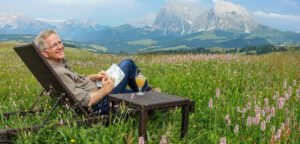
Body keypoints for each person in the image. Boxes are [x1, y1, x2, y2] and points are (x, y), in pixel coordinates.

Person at [34, 29, 151, 115]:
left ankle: (148, 98)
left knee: (129, 94)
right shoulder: (59, 72)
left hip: (98, 90)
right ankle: (150, 95)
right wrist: (106, 89)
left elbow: (77, 82)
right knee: (128, 63)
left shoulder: (55, 65)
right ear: (45, 53)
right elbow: (87, 100)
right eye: (55, 45)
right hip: (100, 104)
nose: (60, 46)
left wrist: (95, 77)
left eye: (60, 42)